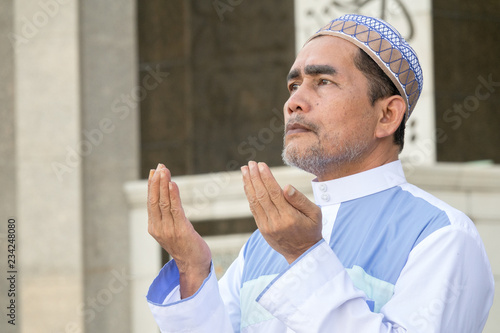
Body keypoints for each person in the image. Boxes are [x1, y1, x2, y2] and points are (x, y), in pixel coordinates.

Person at [145, 14, 494, 332]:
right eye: (294, 85)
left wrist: (304, 257)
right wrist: (191, 268)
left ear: (387, 115)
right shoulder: (260, 247)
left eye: (323, 81)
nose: (293, 102)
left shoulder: (442, 236)